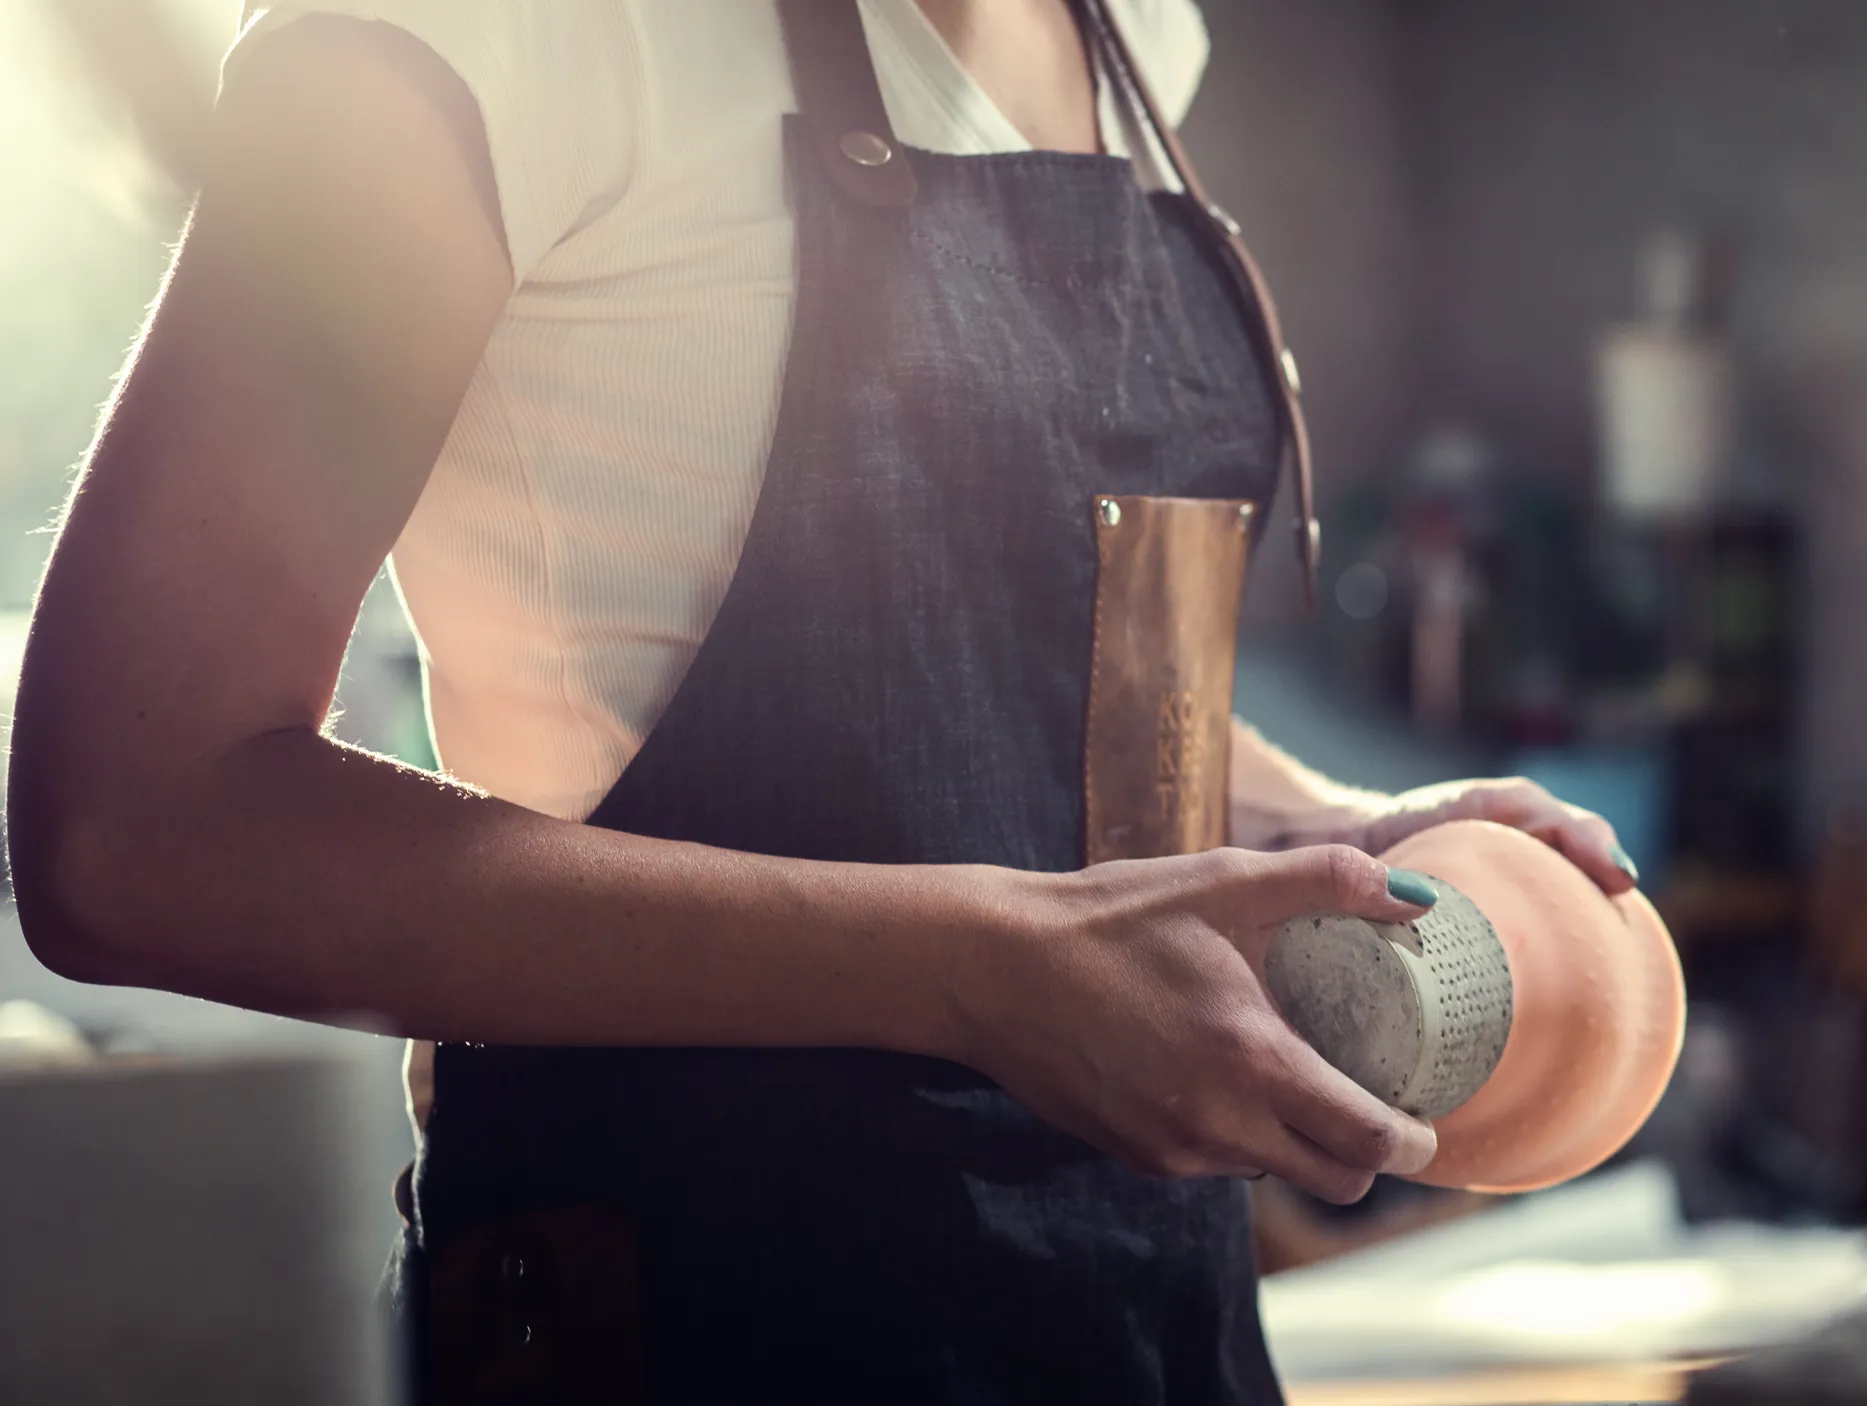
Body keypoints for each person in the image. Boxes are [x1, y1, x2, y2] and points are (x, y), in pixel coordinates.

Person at [10, 0, 1639, 1399]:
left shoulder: (1128, 34)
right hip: (692, 1310)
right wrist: (978, 970)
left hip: (1149, 1326)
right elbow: (132, 820)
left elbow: (1039, 684)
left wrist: (1322, 834)